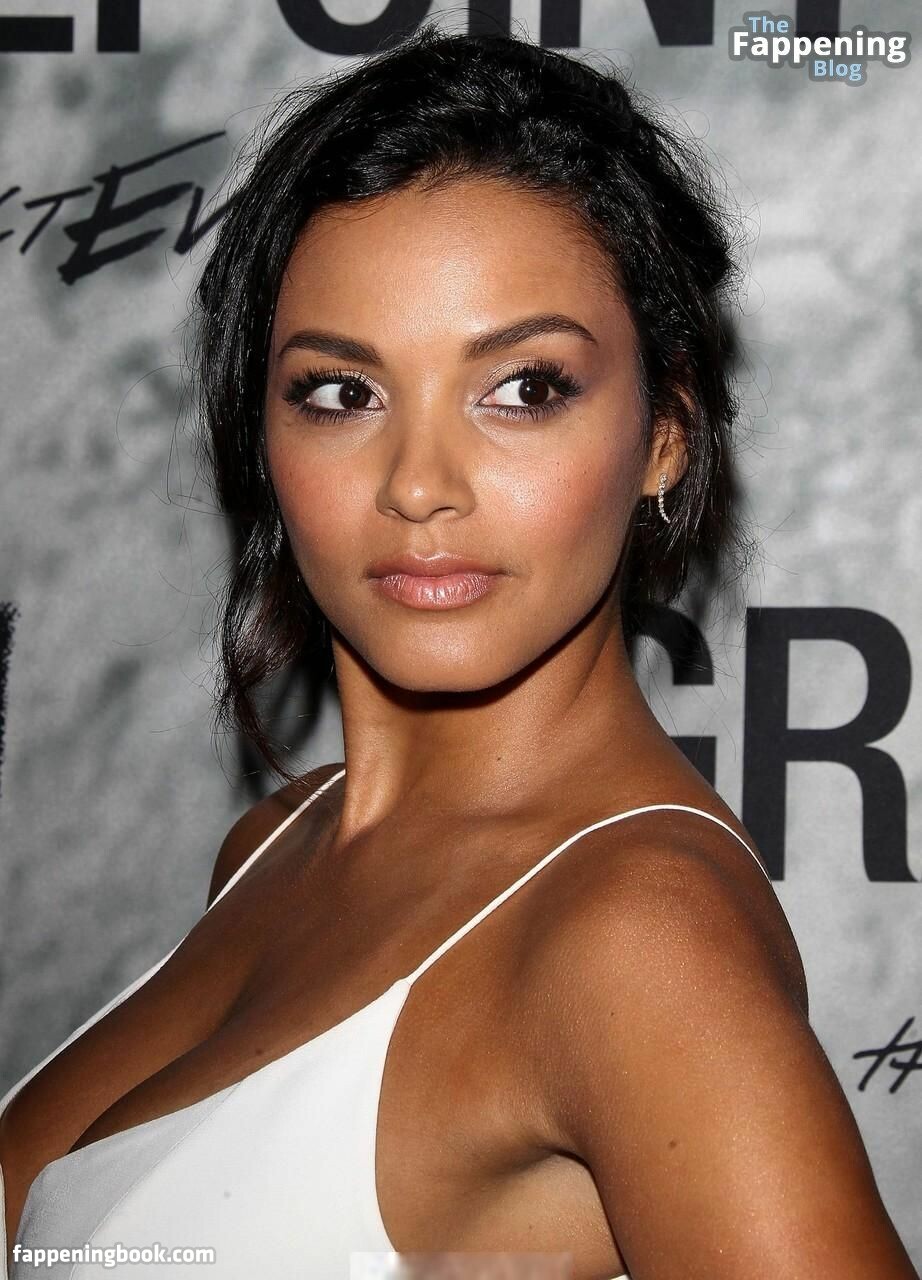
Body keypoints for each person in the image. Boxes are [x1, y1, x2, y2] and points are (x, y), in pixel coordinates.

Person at [1, 22, 917, 1280]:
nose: (419, 483)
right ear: (262, 436)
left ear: (665, 433)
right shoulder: (276, 841)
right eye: (341, 391)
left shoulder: (635, 938)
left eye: (524, 388)